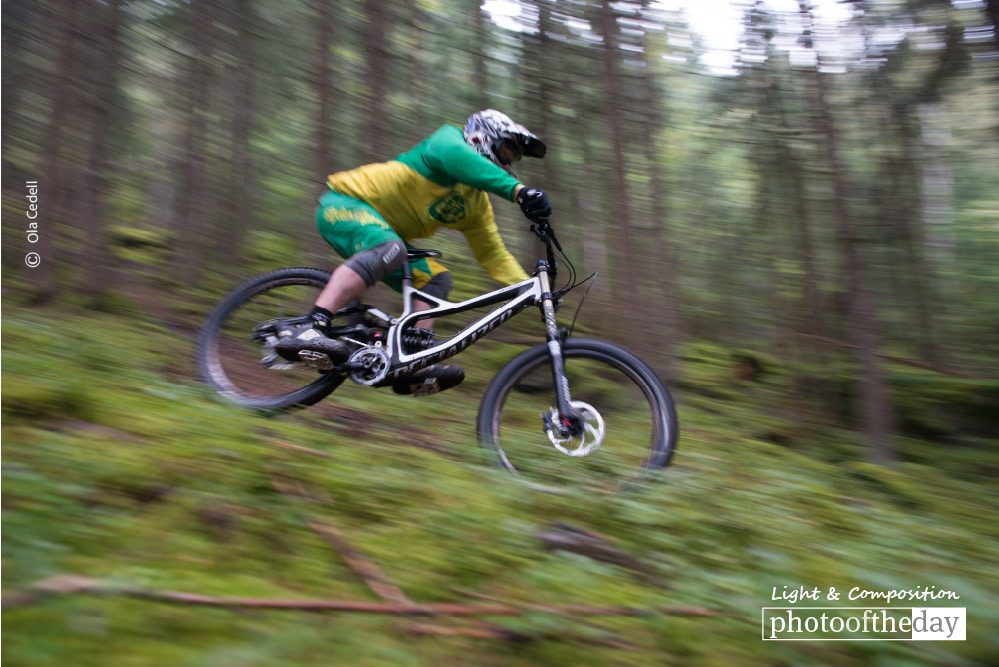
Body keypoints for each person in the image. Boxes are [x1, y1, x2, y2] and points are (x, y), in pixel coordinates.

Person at [275, 109, 553, 396]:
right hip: (344, 205)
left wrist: (534, 292)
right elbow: (463, 160)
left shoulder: (475, 205)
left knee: (436, 279)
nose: (508, 162)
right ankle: (313, 325)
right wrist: (519, 191)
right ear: (480, 138)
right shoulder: (447, 142)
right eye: (507, 150)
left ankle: (411, 359)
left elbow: (494, 255)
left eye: (513, 157)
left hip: (382, 236)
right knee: (391, 247)